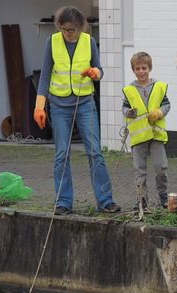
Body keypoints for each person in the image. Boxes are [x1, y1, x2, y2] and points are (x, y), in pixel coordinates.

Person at [33, 6, 120, 215]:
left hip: (85, 104)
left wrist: (94, 72)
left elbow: (100, 70)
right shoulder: (51, 43)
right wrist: (39, 106)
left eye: (72, 30)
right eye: (64, 29)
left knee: (95, 152)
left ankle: (105, 200)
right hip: (59, 106)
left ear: (80, 27)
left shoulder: (88, 42)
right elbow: (45, 77)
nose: (68, 34)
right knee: (62, 154)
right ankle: (63, 202)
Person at [122, 51, 171, 209]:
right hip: (139, 136)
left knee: (161, 167)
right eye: (138, 69)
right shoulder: (129, 90)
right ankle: (142, 199)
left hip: (156, 134)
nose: (141, 71)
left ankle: (163, 196)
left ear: (149, 68)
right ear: (133, 70)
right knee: (139, 170)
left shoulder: (159, 86)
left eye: (144, 68)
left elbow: (167, 104)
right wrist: (128, 113)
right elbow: (124, 107)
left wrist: (160, 112)